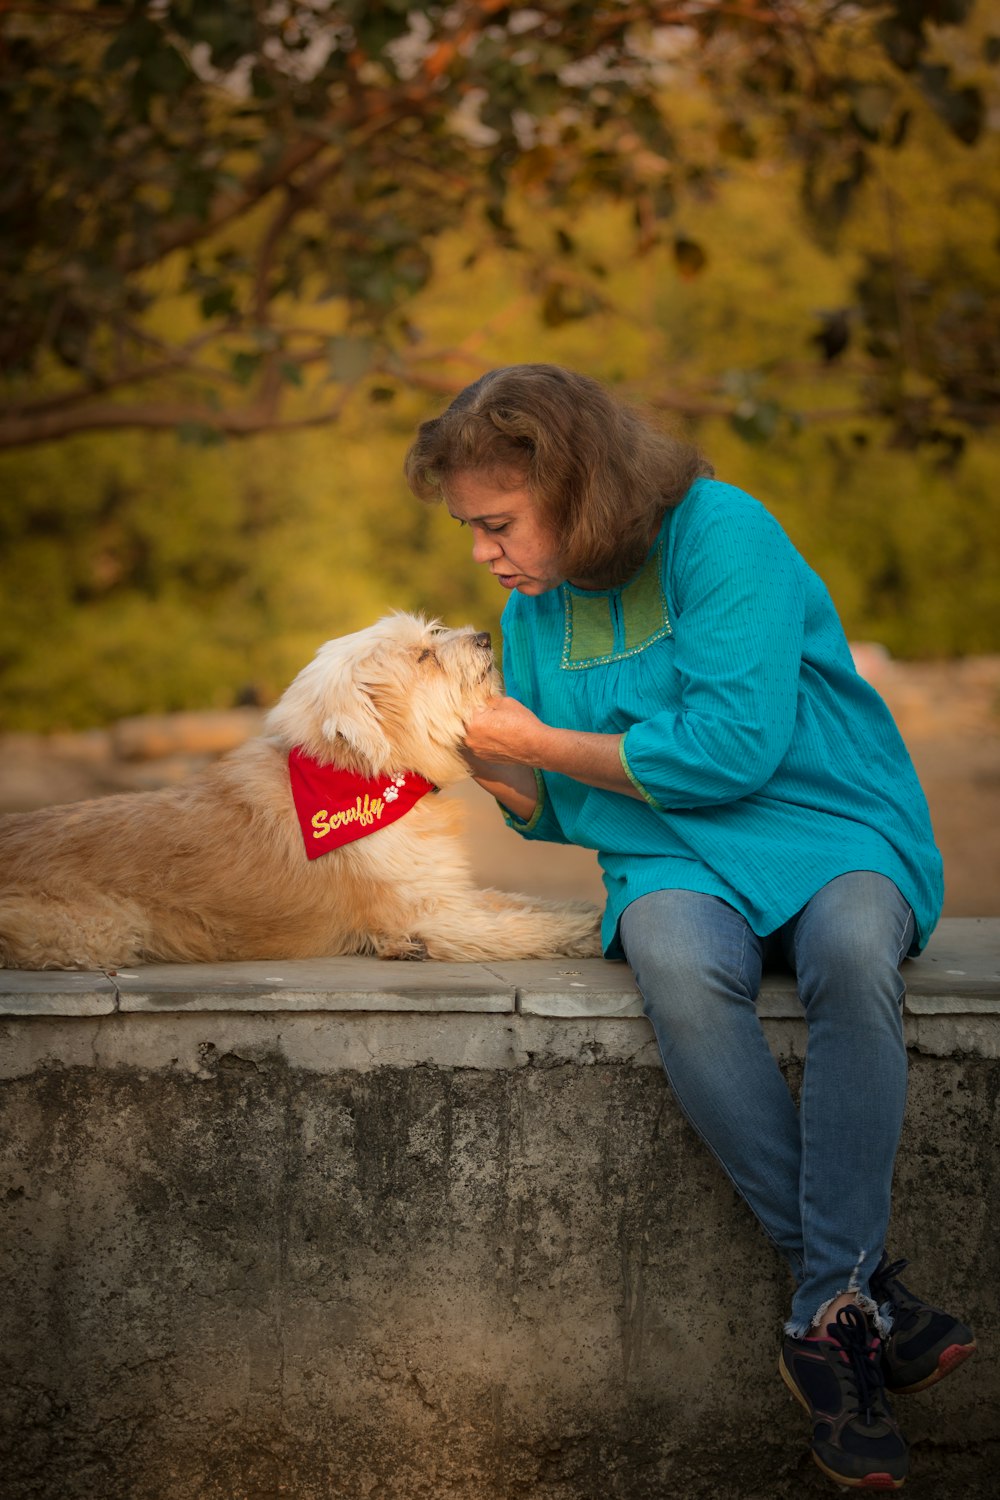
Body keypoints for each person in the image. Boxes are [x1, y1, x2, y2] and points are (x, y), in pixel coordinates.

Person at [404, 363, 976, 1490]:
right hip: (672, 855)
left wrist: (541, 751)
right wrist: (475, 765)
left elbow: (732, 747)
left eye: (496, 523)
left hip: (827, 818)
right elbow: (564, 806)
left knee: (855, 947)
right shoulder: (533, 606)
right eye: (472, 528)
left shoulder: (724, 534)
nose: (483, 552)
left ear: (570, 482)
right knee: (669, 952)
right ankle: (855, 1301)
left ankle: (825, 1311)